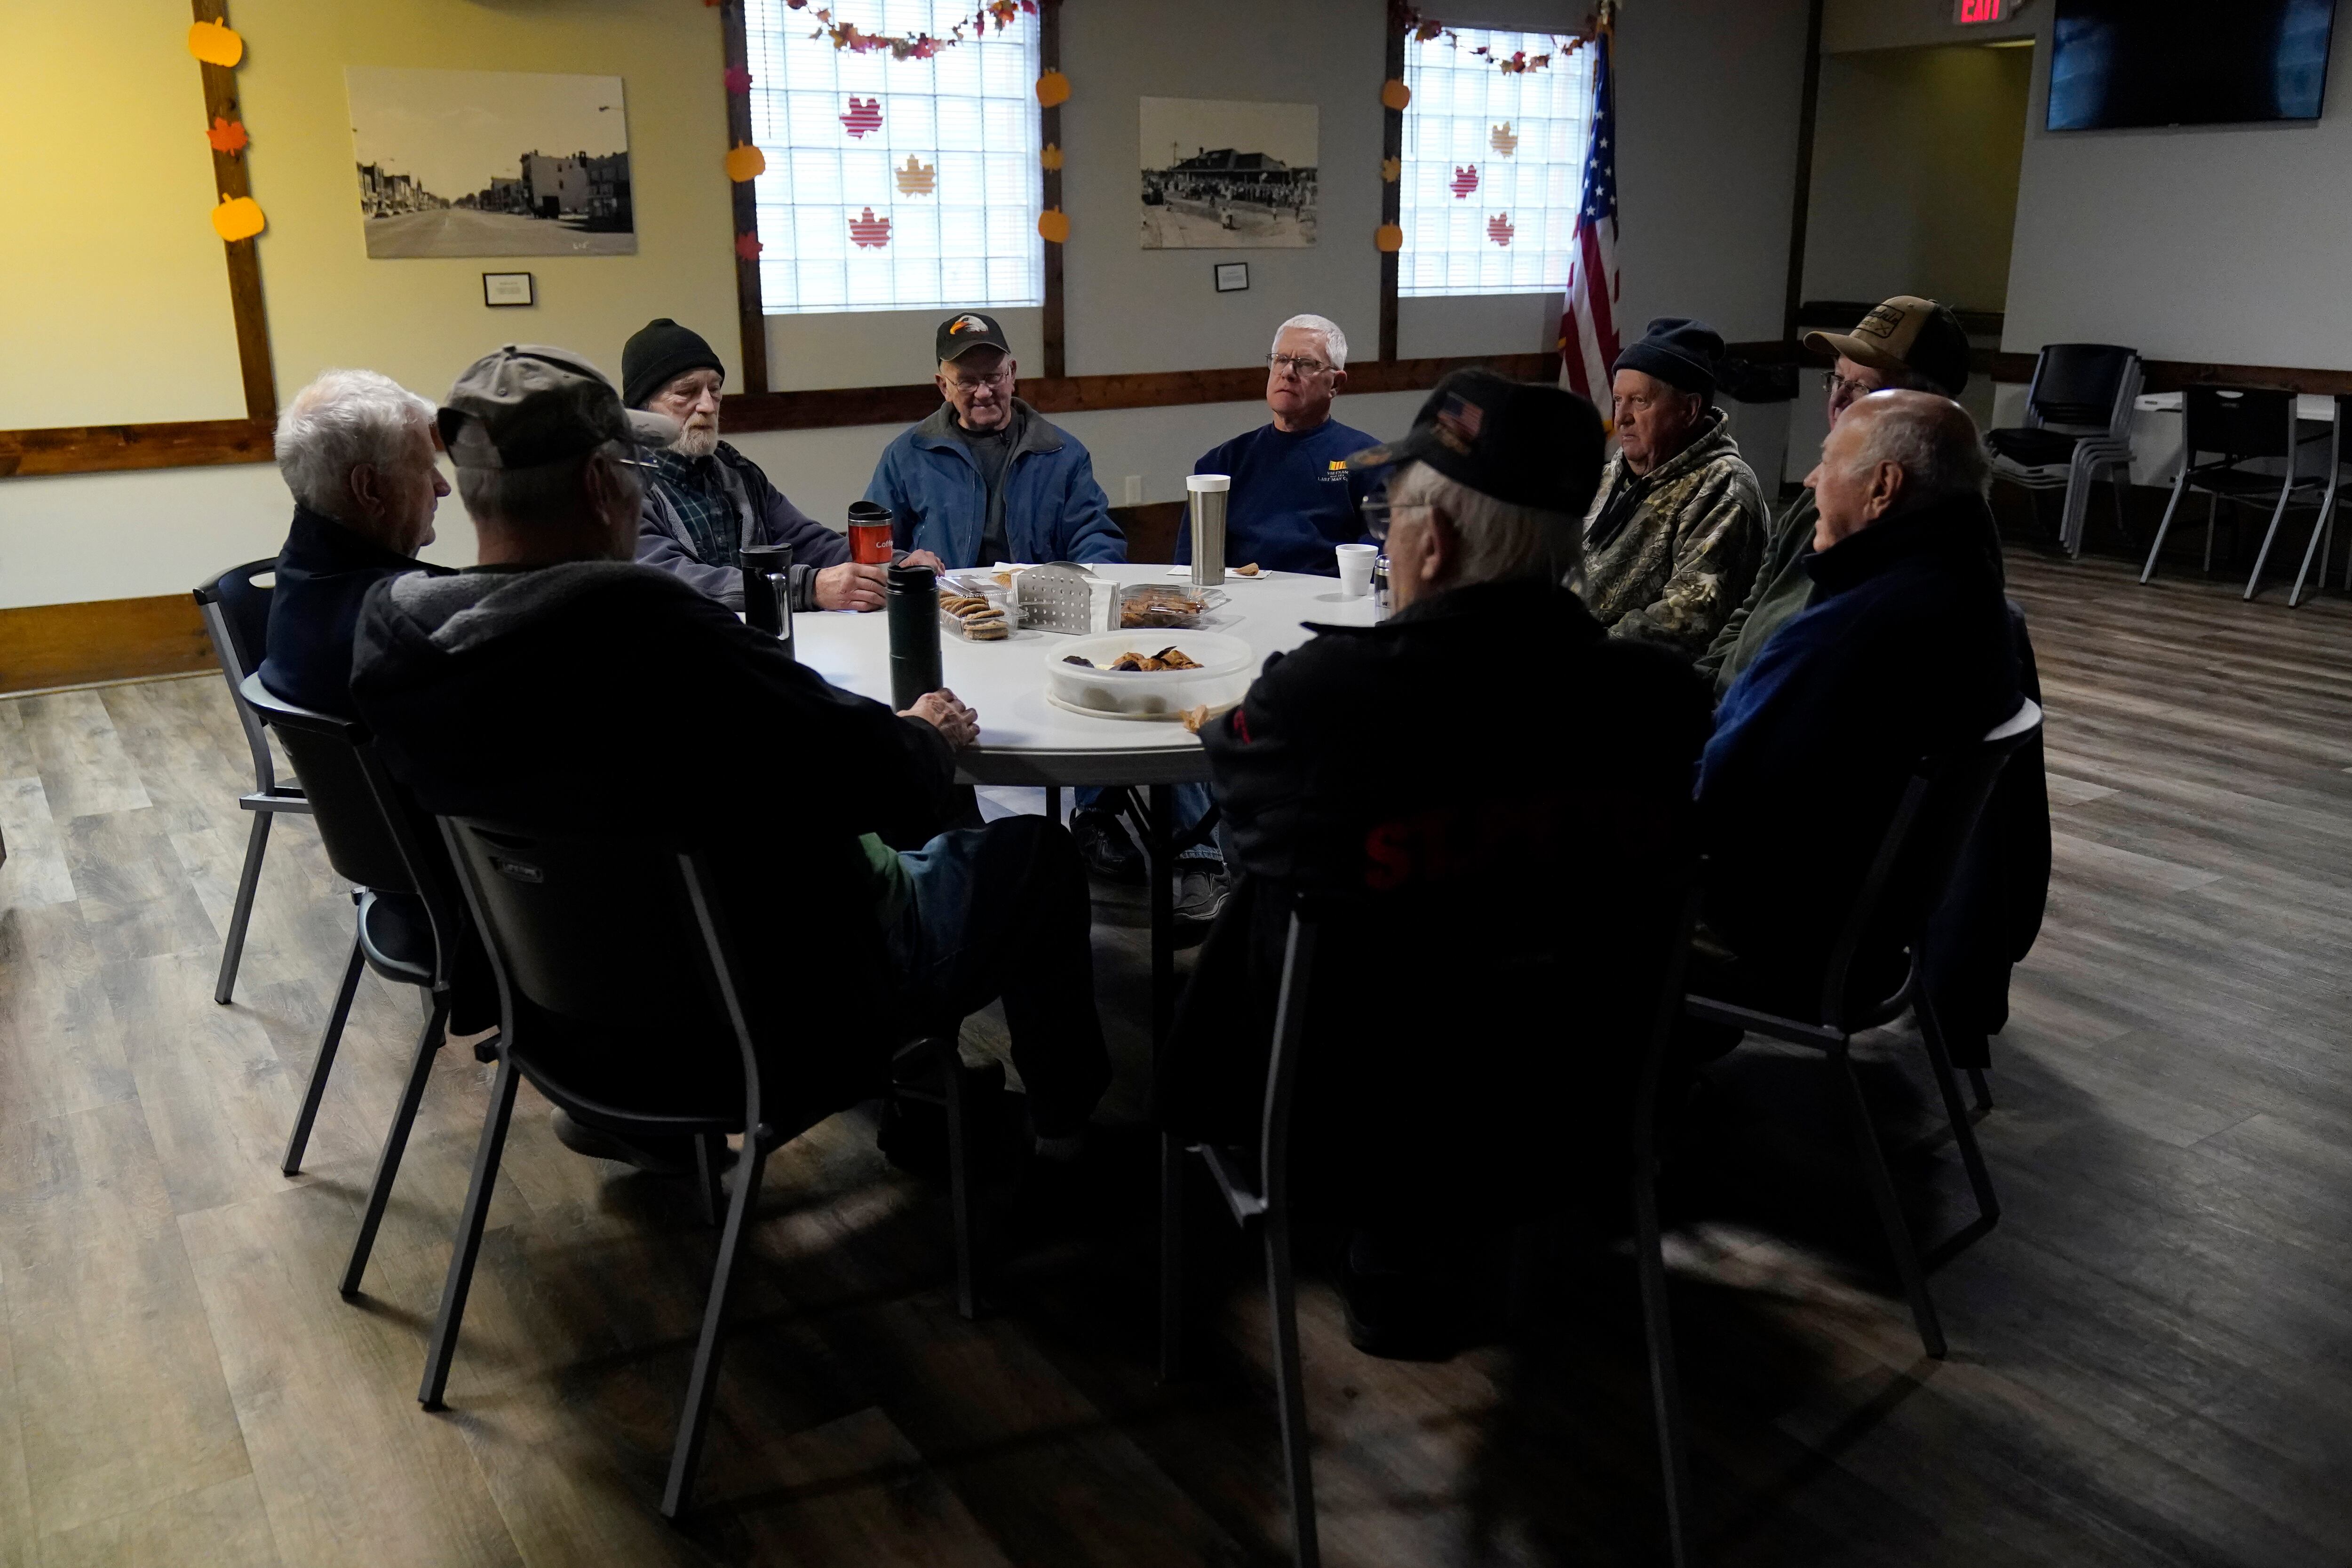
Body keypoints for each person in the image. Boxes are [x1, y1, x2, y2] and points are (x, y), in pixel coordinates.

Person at [350, 344, 1112, 1179]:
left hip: (564, 1016)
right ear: (605, 486)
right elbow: (887, 778)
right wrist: (928, 730)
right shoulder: (669, 646)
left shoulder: (400, 642)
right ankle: (1065, 1145)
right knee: (1037, 852)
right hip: (771, 1011)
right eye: (637, 467)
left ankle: (709, 1123)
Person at [1162, 370, 1714, 1358]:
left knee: (1268, 899)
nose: (1385, 535)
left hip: (1341, 1134)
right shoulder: (1660, 702)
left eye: (1392, 511)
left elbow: (1241, 817)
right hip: (1582, 1114)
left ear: (1432, 540)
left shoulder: (1323, 700)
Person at [1695, 390, 2020, 1005]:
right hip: (1869, 932)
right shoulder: (1972, 599)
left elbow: (1718, 803)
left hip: (1770, 935)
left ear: (1883, 486)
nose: (1813, 479)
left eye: (1827, 460)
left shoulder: (1852, 630)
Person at [1696, 295, 1973, 697]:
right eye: (1837, 379)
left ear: (1921, 410)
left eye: (1862, 387)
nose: (1838, 399)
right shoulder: (1819, 495)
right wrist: (1698, 689)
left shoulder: (1923, 539)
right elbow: (1752, 612)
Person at [622, 318, 938, 613]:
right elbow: (672, 579)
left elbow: (807, 541)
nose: (707, 405)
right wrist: (807, 587)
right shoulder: (619, 486)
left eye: (714, 389)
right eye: (686, 393)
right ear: (642, 409)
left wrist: (894, 565)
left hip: (751, 639)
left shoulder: (736, 472)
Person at [258, 369, 452, 716]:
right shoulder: (405, 627)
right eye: (426, 468)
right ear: (370, 489)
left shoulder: (301, 573)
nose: (442, 486)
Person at [862, 311, 1125, 566]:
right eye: (967, 382)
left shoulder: (1061, 453)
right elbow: (874, 545)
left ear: (1012, 374)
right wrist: (905, 565)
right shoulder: (907, 455)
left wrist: (1091, 585)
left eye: (993, 377)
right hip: (943, 604)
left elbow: (1095, 535)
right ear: (944, 387)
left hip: (1037, 605)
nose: (984, 392)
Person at [1577, 317, 1769, 659]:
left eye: (1640, 401)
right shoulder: (1614, 472)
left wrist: (1573, 656)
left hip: (1639, 681)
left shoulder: (1724, 488)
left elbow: (1686, 622)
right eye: (1618, 399)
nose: (1621, 418)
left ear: (1690, 410)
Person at [1176, 313, 1384, 574]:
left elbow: (1377, 563)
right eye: (1281, 360)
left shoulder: (1370, 460)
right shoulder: (1222, 462)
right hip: (1239, 602)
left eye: (1306, 364)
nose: (1288, 373)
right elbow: (1189, 566)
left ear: (1336, 383)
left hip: (1329, 604)